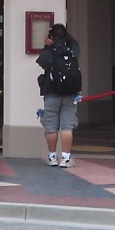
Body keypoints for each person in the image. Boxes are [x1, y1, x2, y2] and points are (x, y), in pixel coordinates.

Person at [36, 23, 80, 168]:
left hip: (51, 93)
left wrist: (48, 45)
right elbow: (75, 43)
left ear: (51, 36)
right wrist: (66, 37)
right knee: (67, 127)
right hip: (69, 93)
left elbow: (42, 63)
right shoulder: (71, 50)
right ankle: (66, 158)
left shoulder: (50, 51)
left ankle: (52, 157)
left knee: (51, 127)